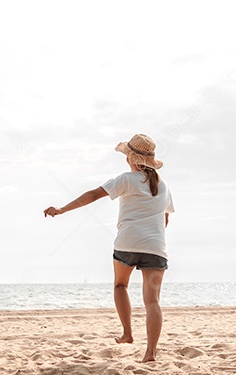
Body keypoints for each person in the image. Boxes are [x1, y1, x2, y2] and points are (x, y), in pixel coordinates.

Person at [44, 134, 174, 362]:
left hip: (128, 243)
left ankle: (127, 333)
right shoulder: (163, 186)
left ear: (131, 159)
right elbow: (165, 219)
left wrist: (62, 209)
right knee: (152, 301)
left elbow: (94, 194)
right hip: (155, 247)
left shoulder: (127, 179)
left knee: (120, 285)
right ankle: (150, 353)